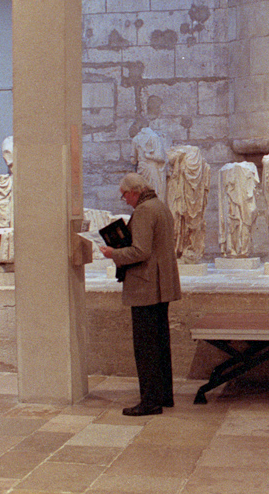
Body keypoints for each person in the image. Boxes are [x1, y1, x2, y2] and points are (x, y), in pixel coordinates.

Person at [99, 172, 181, 416]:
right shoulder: (160, 206)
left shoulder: (145, 210)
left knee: (146, 347)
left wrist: (113, 253)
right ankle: (163, 395)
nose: (124, 199)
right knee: (160, 344)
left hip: (146, 286)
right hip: (160, 285)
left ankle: (150, 401)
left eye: (124, 194)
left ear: (134, 191)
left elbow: (140, 251)